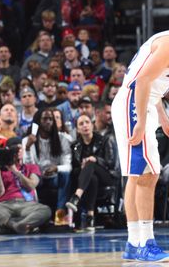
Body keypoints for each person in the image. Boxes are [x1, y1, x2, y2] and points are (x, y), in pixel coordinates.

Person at [112, 31, 169, 261]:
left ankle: (134, 242)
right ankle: (146, 242)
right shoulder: (168, 43)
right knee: (149, 173)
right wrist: (141, 123)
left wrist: (162, 117)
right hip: (134, 106)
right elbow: (142, 81)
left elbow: (151, 84)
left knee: (137, 175)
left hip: (137, 103)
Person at [0, 136, 51, 234]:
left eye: (20, 148)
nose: (18, 151)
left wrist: (15, 171)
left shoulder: (31, 167)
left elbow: (31, 186)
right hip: (4, 206)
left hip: (26, 205)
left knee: (45, 210)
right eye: (15, 149)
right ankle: (16, 225)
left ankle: (9, 225)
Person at [65, 114, 118, 231]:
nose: (85, 126)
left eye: (87, 122)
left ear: (92, 125)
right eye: (81, 124)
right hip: (88, 179)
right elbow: (74, 169)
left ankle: (76, 196)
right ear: (77, 129)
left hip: (106, 175)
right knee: (92, 177)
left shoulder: (104, 140)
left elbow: (111, 163)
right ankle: (90, 217)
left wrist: (96, 160)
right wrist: (83, 167)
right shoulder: (75, 146)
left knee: (90, 163)